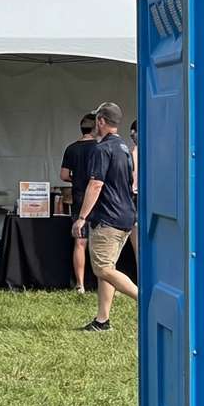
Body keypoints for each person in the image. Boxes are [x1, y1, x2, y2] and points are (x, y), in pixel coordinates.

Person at [72, 102, 137, 331]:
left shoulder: (102, 149)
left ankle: (145, 299)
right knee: (107, 267)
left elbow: (96, 184)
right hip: (126, 216)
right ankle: (102, 320)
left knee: (102, 269)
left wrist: (81, 217)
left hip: (108, 217)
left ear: (100, 121)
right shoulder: (124, 148)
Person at [60, 113, 99, 293]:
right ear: (95, 127)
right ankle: (102, 281)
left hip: (79, 198)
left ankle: (80, 284)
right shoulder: (100, 148)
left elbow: (64, 175)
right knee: (100, 242)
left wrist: (77, 180)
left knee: (80, 242)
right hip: (98, 199)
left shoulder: (71, 148)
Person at [128, 118, 139, 262]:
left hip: (135, 199)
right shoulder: (131, 153)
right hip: (135, 199)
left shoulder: (131, 154)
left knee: (138, 246)